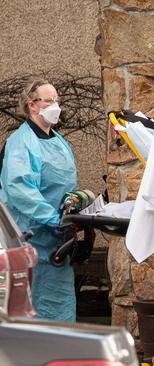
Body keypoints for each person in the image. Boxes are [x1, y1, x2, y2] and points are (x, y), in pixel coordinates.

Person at [0, 79, 77, 321]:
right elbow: (20, 188)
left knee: (59, 304)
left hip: (55, 239)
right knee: (31, 306)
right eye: (49, 100)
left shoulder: (57, 140)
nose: (56, 105)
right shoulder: (22, 142)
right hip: (30, 235)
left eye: (57, 100)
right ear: (33, 105)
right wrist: (53, 219)